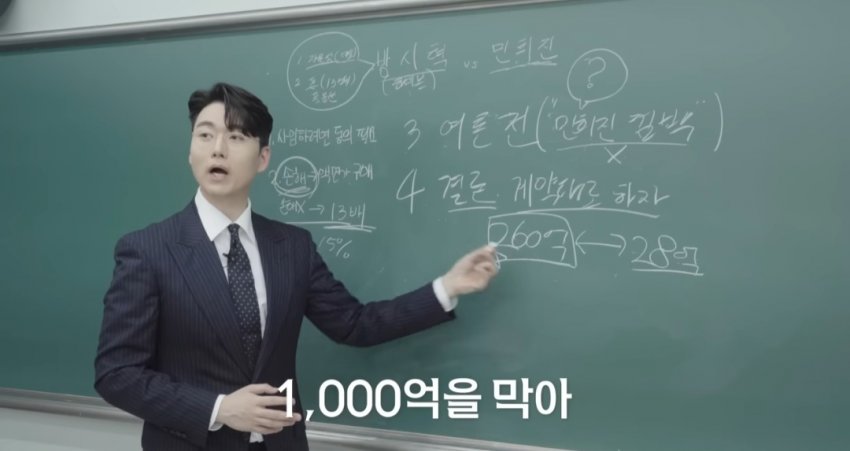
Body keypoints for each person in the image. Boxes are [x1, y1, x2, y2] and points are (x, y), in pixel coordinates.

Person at [94, 82, 499, 451]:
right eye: (205, 135)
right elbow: (116, 373)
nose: (218, 148)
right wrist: (219, 409)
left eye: (236, 136)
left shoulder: (292, 247)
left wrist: (447, 287)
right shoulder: (148, 250)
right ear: (190, 151)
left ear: (263, 157)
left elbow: (355, 324)